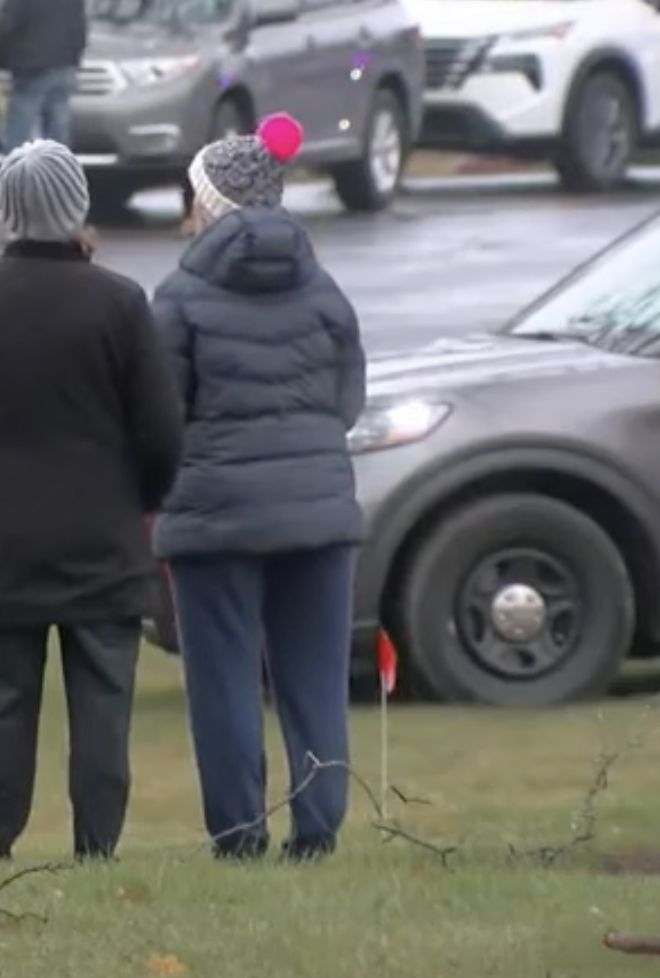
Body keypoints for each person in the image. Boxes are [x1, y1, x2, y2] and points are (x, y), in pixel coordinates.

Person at [0, 139, 184, 861]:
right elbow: (160, 430)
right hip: (103, 538)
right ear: (74, 208)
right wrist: (138, 500)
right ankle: (97, 849)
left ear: (10, 209)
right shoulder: (120, 304)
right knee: (102, 707)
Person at [151, 113, 367, 863]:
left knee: (225, 684)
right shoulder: (324, 290)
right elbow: (348, 402)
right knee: (313, 681)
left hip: (215, 517)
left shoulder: (178, 298)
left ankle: (240, 834)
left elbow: (160, 415)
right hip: (318, 510)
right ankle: (318, 830)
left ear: (207, 204)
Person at [0, 0, 88, 151]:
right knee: (58, 128)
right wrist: (74, 59)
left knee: (19, 131)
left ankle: (18, 176)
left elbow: (6, 26)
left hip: (31, 68)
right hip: (64, 66)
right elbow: (80, 27)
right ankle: (58, 175)